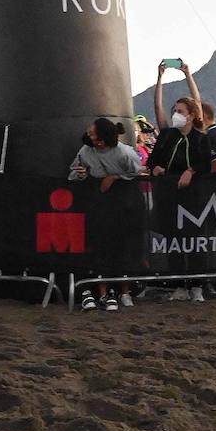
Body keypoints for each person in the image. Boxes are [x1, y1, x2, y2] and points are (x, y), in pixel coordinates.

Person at [149, 66, 216, 302]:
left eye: (180, 111)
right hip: (169, 195)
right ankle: (178, 284)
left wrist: (187, 74)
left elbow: (204, 162)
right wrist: (159, 79)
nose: (176, 114)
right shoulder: (167, 135)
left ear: (190, 115)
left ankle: (198, 285)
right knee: (173, 239)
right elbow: (158, 110)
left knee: (195, 239)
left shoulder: (199, 136)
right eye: (175, 111)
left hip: (195, 197)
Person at [71, 117, 142, 311]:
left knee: (124, 246)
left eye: (92, 133)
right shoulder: (86, 151)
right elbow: (74, 172)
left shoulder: (124, 152)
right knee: (102, 246)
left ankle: (125, 291)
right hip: (100, 204)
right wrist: (81, 174)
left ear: (101, 140)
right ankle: (103, 292)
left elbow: (139, 171)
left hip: (126, 202)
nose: (88, 135)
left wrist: (116, 176)